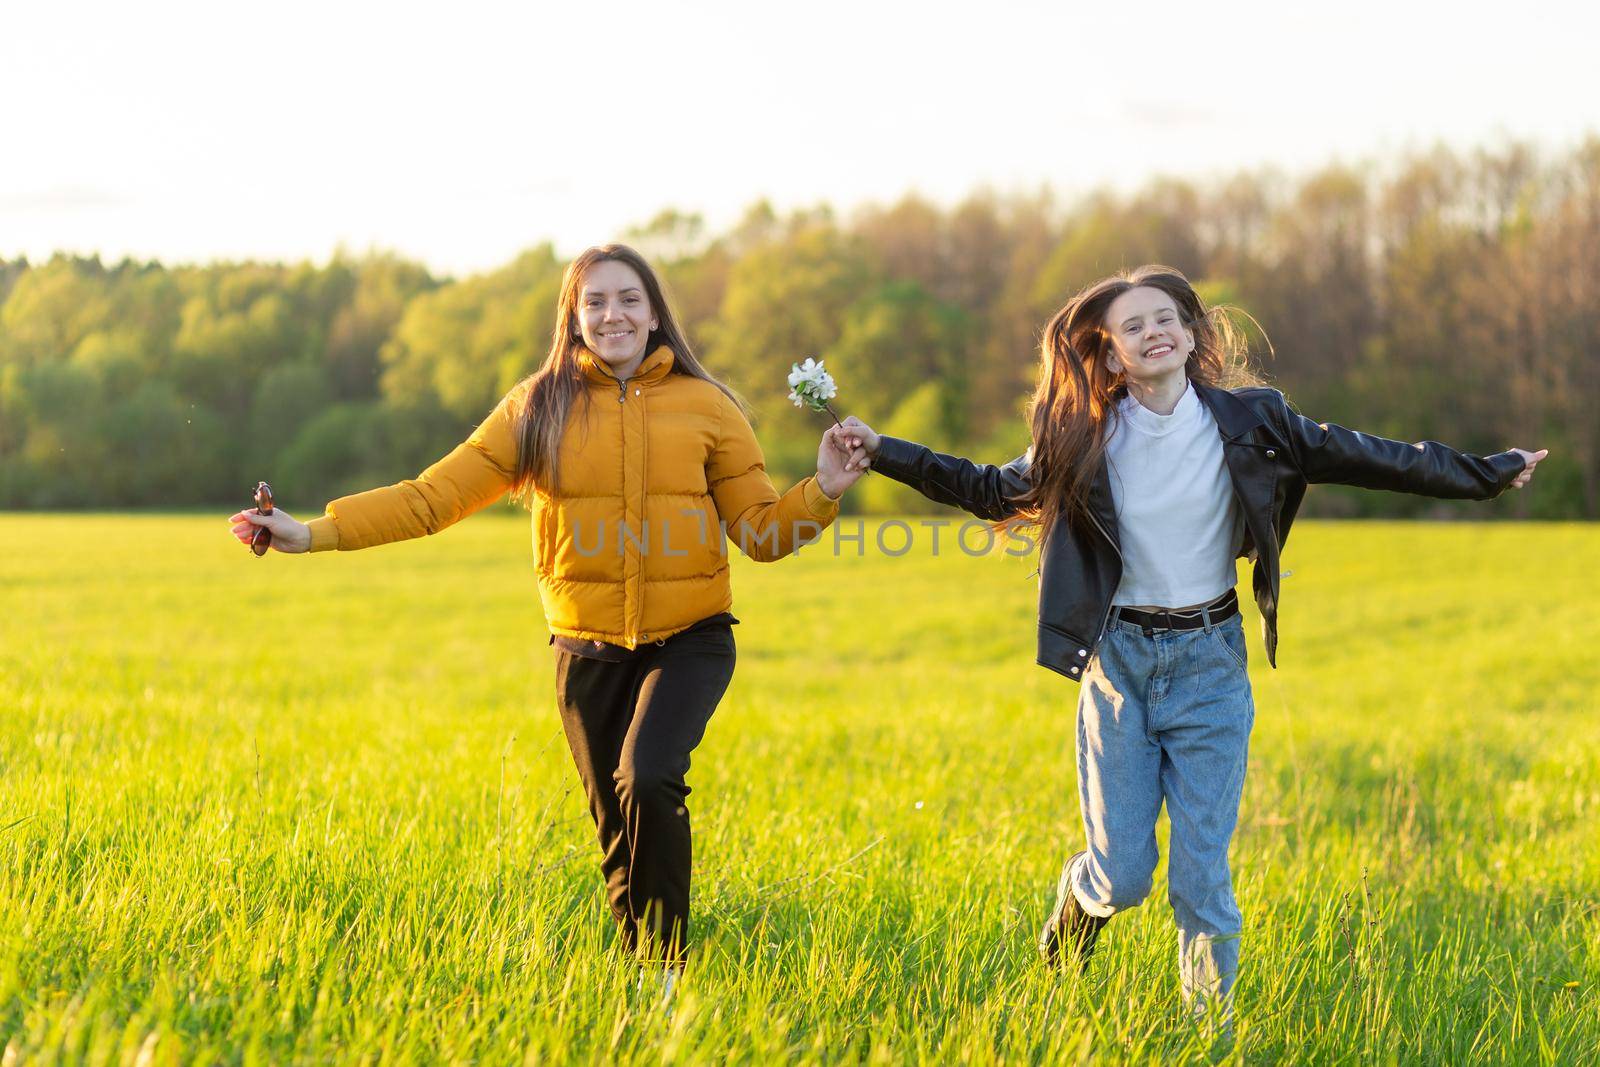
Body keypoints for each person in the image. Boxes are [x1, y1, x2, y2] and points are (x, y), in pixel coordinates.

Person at [826, 264, 1545, 1026]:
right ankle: (1078, 905)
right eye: (1133, 326)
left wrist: (1486, 475)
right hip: (1121, 667)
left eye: (1166, 316)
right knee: (1123, 874)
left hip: (1210, 661)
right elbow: (984, 486)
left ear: (1193, 331)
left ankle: (1210, 1030)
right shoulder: (1083, 438)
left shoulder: (1254, 420)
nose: (1153, 331)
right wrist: (885, 450)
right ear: (1108, 357)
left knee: (1202, 875)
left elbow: (1374, 456)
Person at [230, 244, 863, 991]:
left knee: (649, 775)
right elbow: (432, 497)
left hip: (690, 639)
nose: (612, 313)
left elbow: (761, 532)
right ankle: (642, 982)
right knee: (616, 832)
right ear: (574, 317)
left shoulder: (709, 407)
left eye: (628, 298)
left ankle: (666, 973)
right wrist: (314, 533)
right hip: (586, 649)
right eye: (594, 301)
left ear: (655, 312)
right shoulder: (537, 406)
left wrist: (820, 490)